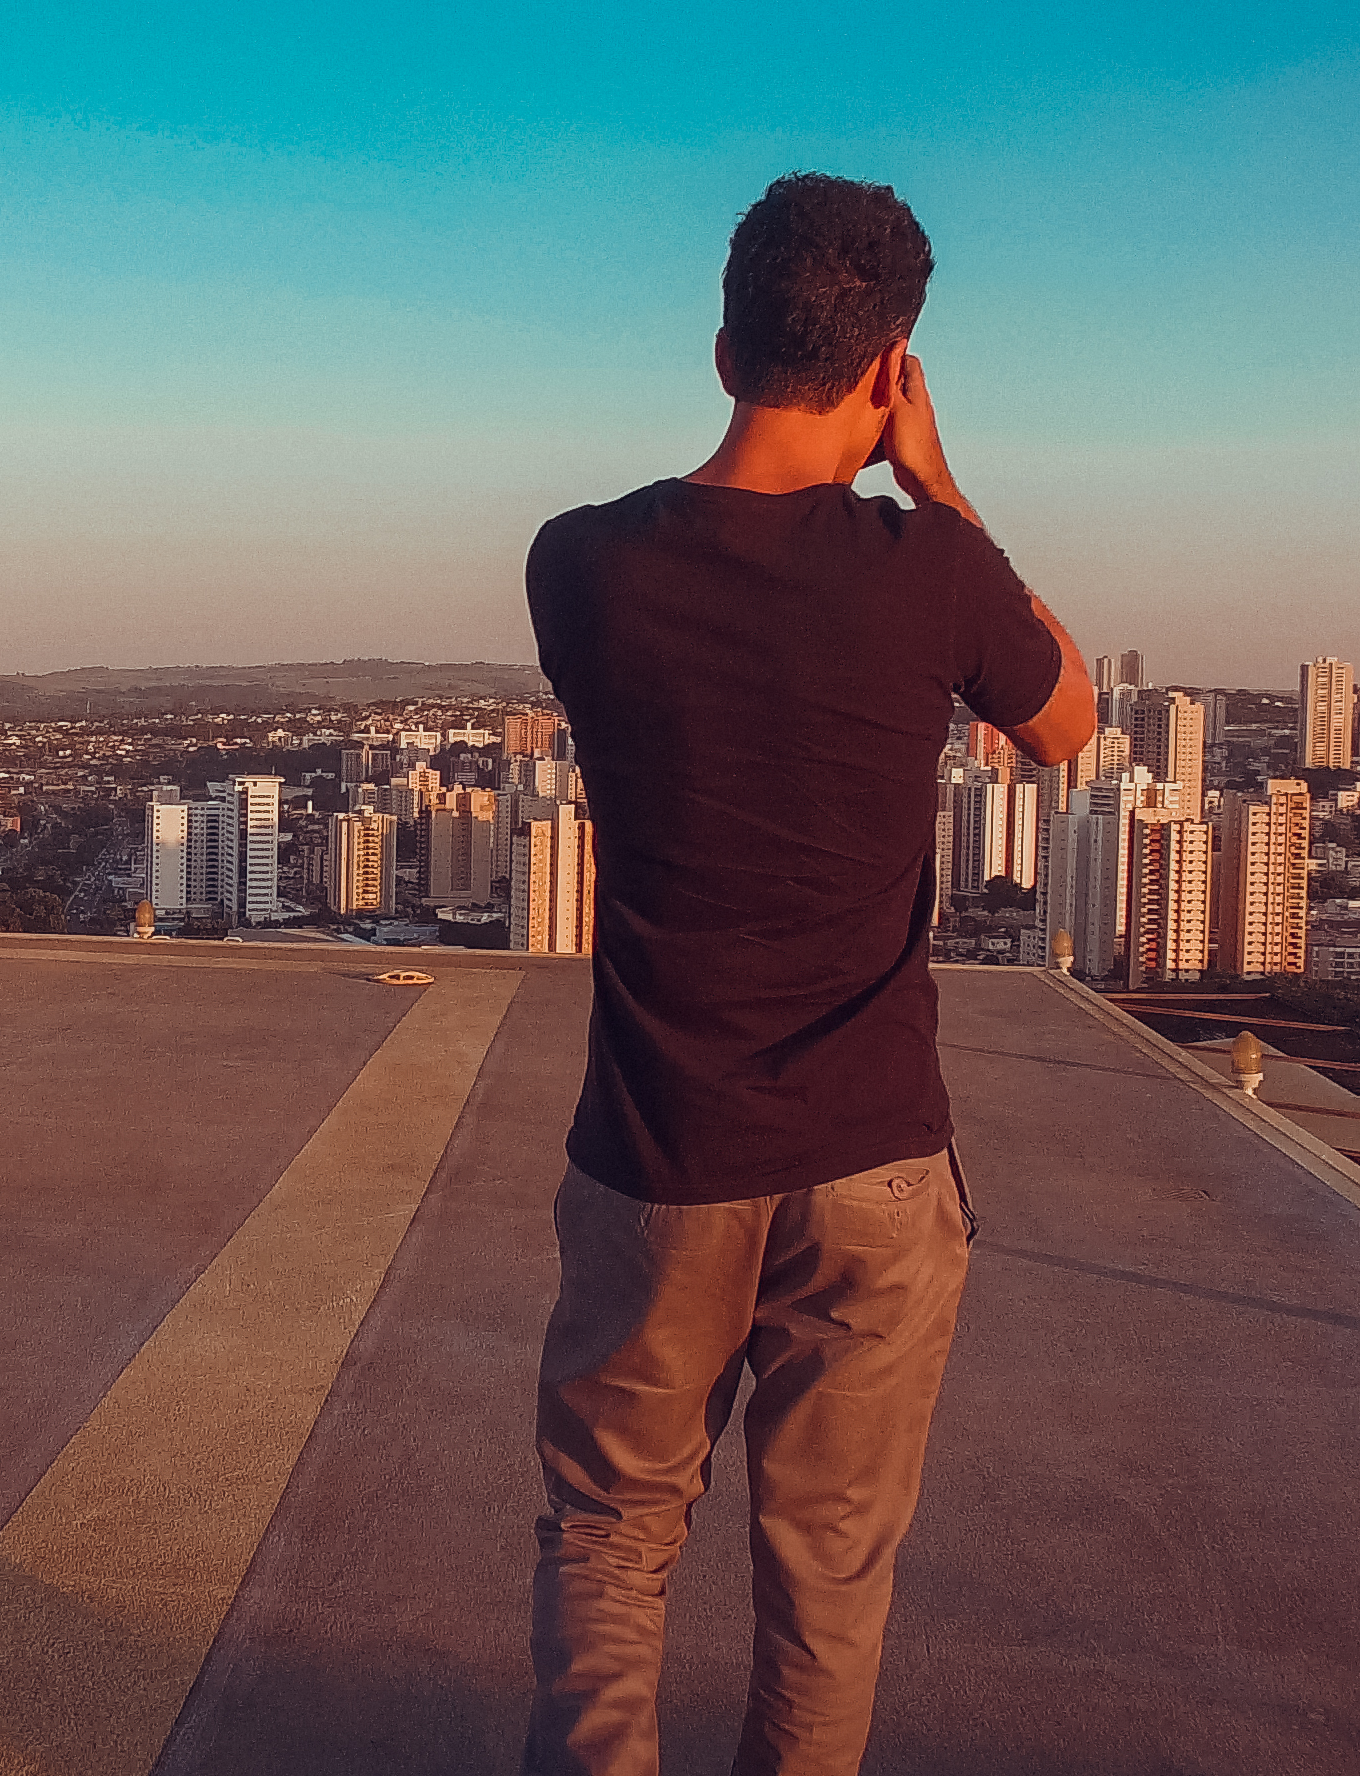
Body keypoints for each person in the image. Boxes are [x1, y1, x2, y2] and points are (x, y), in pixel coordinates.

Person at [519, 173, 1096, 1776]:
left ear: (720, 344)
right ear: (887, 366)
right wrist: (939, 484)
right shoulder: (930, 569)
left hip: (655, 1156)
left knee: (607, 1535)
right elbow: (1062, 727)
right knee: (827, 1575)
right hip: (871, 1162)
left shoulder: (581, 564)